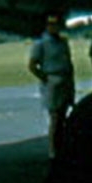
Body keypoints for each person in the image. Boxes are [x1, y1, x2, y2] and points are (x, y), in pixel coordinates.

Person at [27, 13, 74, 159]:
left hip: (64, 77)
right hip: (52, 78)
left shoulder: (63, 42)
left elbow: (68, 62)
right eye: (51, 25)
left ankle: (62, 146)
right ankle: (53, 149)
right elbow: (32, 65)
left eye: (56, 24)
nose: (54, 27)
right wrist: (45, 78)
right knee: (54, 117)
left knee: (62, 117)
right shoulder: (41, 43)